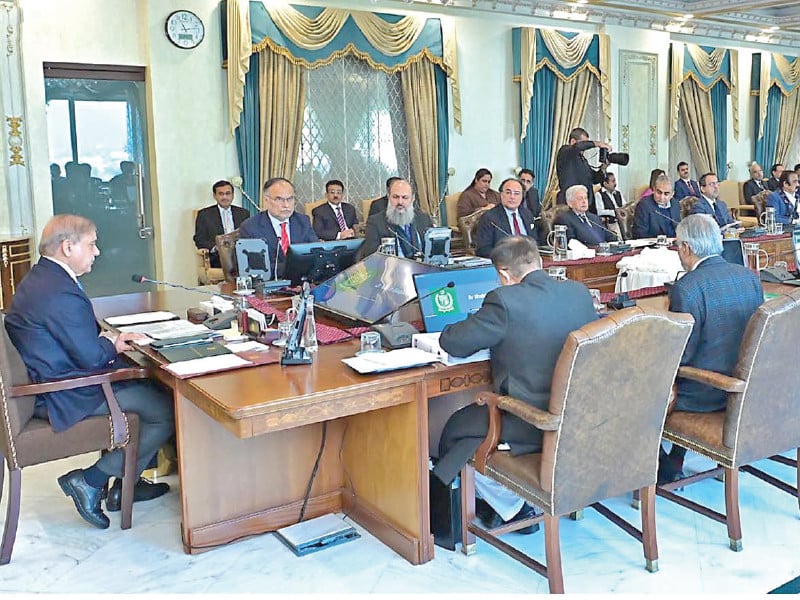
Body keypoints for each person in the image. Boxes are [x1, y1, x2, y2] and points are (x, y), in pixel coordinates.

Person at [4, 215, 175, 529]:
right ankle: (91, 480)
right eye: (92, 244)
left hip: (54, 378)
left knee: (152, 384)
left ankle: (127, 486)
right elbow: (90, 357)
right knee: (164, 407)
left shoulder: (43, 277)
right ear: (68, 247)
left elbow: (80, 345)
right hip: (63, 393)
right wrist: (114, 344)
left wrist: (108, 341)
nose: (97, 252)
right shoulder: (58, 291)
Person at [432, 236, 597, 528]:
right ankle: (515, 502)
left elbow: (454, 342)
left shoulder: (504, 300)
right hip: (579, 418)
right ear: (539, 261)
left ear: (504, 274)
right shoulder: (578, 292)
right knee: (469, 427)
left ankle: (511, 507)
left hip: (532, 421)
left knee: (455, 430)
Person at [658, 214, 763, 483]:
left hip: (703, 395)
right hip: (744, 390)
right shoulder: (749, 278)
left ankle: (662, 466)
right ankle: (677, 458)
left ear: (686, 248)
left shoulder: (686, 288)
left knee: (643, 384)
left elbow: (681, 356)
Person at [238, 177, 318, 278]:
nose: (286, 205)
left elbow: (316, 253)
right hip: (269, 286)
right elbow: (255, 269)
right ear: (266, 201)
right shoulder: (250, 227)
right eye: (279, 199)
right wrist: (295, 266)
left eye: (290, 199)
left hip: (302, 282)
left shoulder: (302, 221)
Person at [361, 178, 432, 257]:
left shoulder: (424, 219)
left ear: (412, 199)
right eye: (395, 197)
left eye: (405, 197)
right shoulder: (375, 222)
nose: (400, 202)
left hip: (423, 268)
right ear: (389, 197)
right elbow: (372, 258)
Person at [474, 178, 539, 258]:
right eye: (508, 193)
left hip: (528, 260)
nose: (512, 197)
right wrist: (508, 256)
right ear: (501, 195)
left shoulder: (527, 214)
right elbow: (483, 250)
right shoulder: (489, 218)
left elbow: (534, 241)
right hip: (505, 263)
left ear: (522, 196)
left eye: (516, 193)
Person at [193, 180, 250, 268]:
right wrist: (216, 248)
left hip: (240, 254)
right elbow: (199, 239)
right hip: (218, 257)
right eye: (221, 194)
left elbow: (249, 236)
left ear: (233, 195)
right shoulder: (204, 214)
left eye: (228, 193)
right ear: (215, 196)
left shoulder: (243, 213)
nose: (224, 197)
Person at [555, 127, 610, 205]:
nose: (586, 147)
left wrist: (603, 168)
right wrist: (598, 144)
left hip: (586, 203)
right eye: (584, 143)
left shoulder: (583, 159)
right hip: (570, 204)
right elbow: (577, 147)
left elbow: (594, 179)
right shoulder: (564, 151)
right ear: (573, 141)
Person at [632, 174, 681, 238]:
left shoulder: (675, 204)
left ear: (672, 194)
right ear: (654, 190)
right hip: (653, 245)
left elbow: (678, 228)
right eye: (659, 192)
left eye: (666, 194)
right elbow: (639, 234)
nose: (662, 197)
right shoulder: (644, 205)